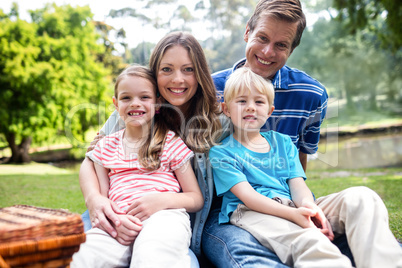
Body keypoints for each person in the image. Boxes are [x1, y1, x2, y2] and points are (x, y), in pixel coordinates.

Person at [209, 67, 402, 268]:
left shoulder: (283, 143)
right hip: (252, 212)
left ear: (269, 111)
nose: (250, 107)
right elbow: (249, 197)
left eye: (258, 102)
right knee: (308, 240)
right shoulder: (222, 152)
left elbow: (297, 185)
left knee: (362, 197)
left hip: (292, 204)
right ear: (226, 109)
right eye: (241, 101)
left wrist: (309, 207)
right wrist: (294, 215)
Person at [202, 0, 333, 266]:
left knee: (361, 202)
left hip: (288, 200)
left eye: (281, 45)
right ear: (247, 32)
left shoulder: (311, 95)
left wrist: (303, 206)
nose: (268, 51)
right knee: (290, 244)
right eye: (262, 37)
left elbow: (298, 165)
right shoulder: (208, 90)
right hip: (236, 210)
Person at [78, 32, 224, 266]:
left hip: (168, 216)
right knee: (82, 251)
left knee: (152, 251)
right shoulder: (130, 110)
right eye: (167, 69)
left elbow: (197, 197)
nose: (178, 79)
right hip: (121, 214)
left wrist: (160, 201)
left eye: (188, 69)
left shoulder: (214, 121)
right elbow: (91, 162)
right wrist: (96, 201)